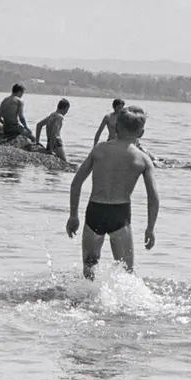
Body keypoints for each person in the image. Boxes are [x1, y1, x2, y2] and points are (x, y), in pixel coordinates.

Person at [67, 106, 159, 280]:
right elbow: (153, 198)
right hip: (120, 213)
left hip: (95, 210)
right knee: (126, 271)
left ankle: (86, 300)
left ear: (116, 127)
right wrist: (150, 228)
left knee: (89, 267)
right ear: (141, 133)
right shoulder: (143, 159)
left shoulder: (99, 150)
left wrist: (73, 216)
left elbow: (76, 184)